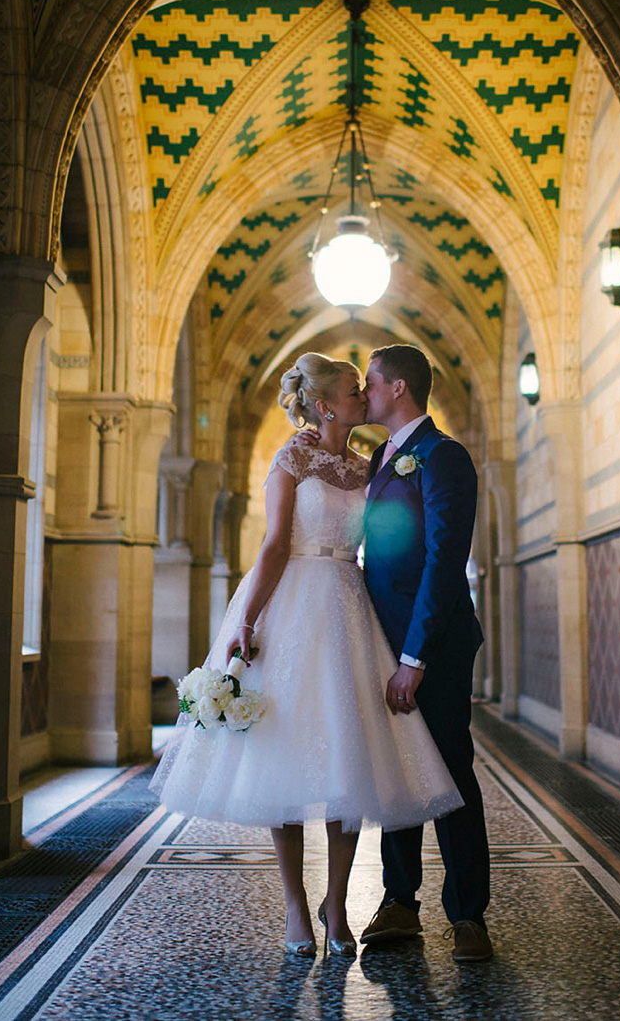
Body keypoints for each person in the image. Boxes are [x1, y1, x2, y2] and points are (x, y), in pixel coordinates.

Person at [150, 352, 463, 959]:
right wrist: (245, 621)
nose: (362, 398)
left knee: (349, 758)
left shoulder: (369, 464)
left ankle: (337, 905)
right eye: (352, 390)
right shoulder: (292, 457)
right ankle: (297, 905)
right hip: (291, 603)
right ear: (325, 405)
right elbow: (271, 546)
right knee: (284, 758)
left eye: (363, 387)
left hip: (349, 606)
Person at [300, 344, 492, 962]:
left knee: (451, 770)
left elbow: (444, 561)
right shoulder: (381, 456)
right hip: (376, 637)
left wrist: (414, 658)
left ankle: (467, 915)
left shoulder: (443, 457)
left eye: (372, 385)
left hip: (430, 642)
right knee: (395, 769)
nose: (365, 396)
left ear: (400, 388)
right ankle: (399, 903)